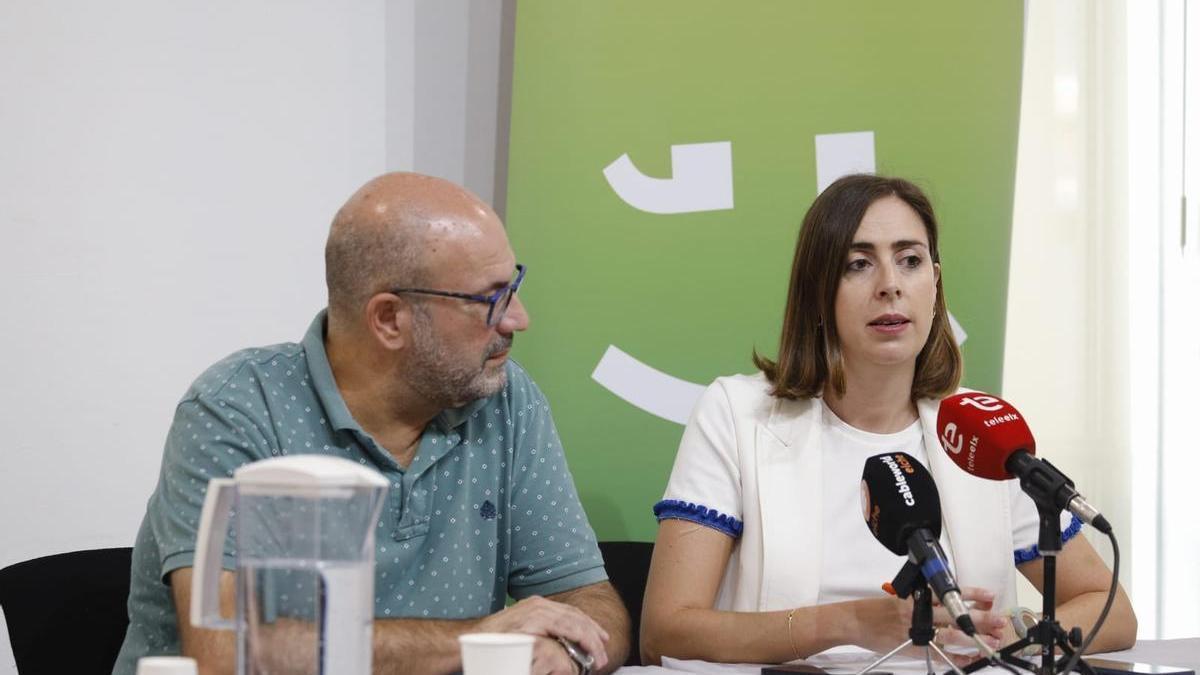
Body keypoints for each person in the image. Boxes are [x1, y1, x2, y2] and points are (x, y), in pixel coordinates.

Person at [113, 172, 629, 675]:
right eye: (489, 298)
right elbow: (232, 653)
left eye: (512, 285)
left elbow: (589, 602)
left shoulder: (506, 400)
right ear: (389, 319)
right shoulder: (240, 410)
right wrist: (480, 639)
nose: (518, 318)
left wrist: (571, 653)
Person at [639, 174, 1136, 666]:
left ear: (935, 283)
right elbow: (665, 631)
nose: (890, 286)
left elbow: (1112, 612)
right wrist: (849, 623)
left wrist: (1014, 632)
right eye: (858, 264)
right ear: (818, 292)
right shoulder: (737, 415)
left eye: (910, 260)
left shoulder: (977, 429)